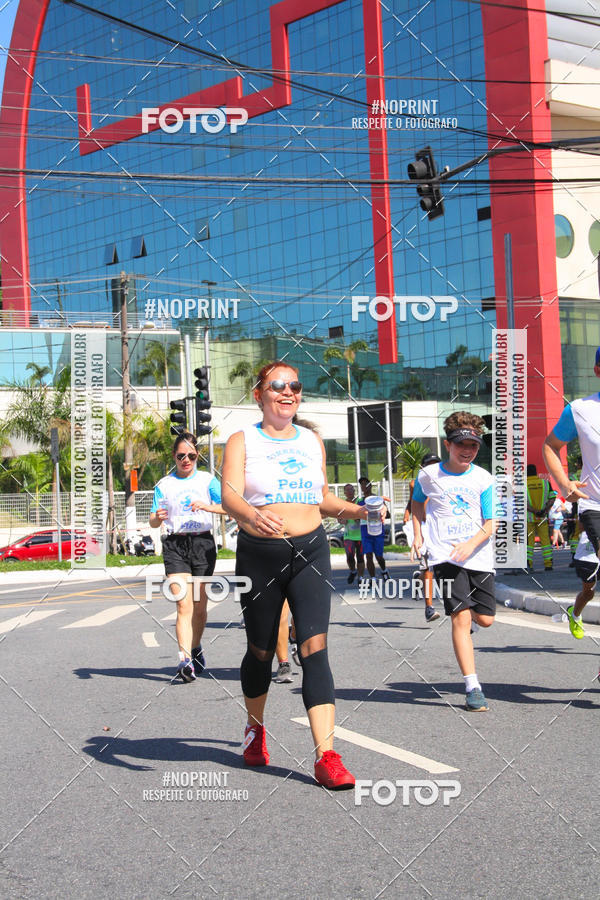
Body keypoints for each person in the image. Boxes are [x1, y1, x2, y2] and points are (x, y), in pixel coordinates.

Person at [221, 361, 380, 788]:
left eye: (294, 385)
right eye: (277, 385)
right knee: (259, 650)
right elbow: (230, 496)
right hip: (260, 554)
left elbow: (324, 498)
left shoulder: (311, 440)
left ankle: (326, 755)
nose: (287, 391)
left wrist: (362, 511)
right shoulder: (241, 440)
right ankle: (255, 728)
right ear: (259, 394)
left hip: (310, 549)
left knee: (315, 647)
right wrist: (253, 515)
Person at [411, 412, 497, 712]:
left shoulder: (483, 478)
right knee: (460, 619)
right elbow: (417, 504)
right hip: (445, 557)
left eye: (474, 445)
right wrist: (418, 535)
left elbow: (490, 524)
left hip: (478, 556)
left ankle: (472, 612)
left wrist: (470, 544)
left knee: (485, 619)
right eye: (462, 444)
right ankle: (473, 687)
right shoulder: (429, 475)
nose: (468, 450)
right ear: (448, 444)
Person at [149, 432, 224, 682]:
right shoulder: (164, 484)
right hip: (175, 544)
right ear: (174, 456)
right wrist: (156, 518)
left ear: (197, 456)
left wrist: (207, 506)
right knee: (183, 603)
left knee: (200, 607)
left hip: (203, 543)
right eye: (181, 456)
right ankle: (185, 660)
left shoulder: (207, 480)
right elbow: (151, 520)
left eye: (191, 455)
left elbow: (227, 506)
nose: (186, 460)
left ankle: (195, 646)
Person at [543, 348, 600, 637]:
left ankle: (574, 611)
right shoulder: (580, 409)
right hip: (595, 506)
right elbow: (550, 446)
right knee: (588, 586)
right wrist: (565, 486)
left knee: (589, 592)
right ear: (598, 371)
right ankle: (577, 611)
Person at [409, 453, 441, 622]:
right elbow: (414, 504)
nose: (433, 467)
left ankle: (418, 579)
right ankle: (429, 607)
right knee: (428, 568)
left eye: (436, 464)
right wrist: (417, 534)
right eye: (429, 464)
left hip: (444, 531)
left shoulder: (446, 483)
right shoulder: (417, 483)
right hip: (425, 529)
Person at [357, 476, 390, 584]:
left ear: (370, 486)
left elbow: (387, 514)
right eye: (361, 484)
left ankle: (384, 571)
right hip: (365, 530)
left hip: (377, 529)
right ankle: (373, 578)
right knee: (368, 555)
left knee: (379, 555)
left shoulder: (377, 499)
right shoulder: (360, 501)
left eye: (365, 483)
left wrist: (382, 512)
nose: (363, 486)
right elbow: (356, 517)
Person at [526, 463, 555, 571]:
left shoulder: (522, 485)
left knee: (530, 542)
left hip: (529, 518)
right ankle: (548, 564)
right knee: (545, 541)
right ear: (536, 472)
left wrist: (534, 511)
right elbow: (552, 498)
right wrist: (544, 511)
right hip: (542, 517)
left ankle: (529, 564)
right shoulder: (545, 483)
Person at [342, 483, 365, 584]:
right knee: (350, 556)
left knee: (360, 557)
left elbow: (364, 513)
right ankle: (353, 571)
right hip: (348, 535)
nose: (350, 492)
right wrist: (342, 520)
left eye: (351, 490)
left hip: (360, 535)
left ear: (354, 491)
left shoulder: (359, 502)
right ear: (344, 493)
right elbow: (339, 517)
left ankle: (361, 578)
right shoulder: (342, 503)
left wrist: (359, 517)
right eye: (347, 490)